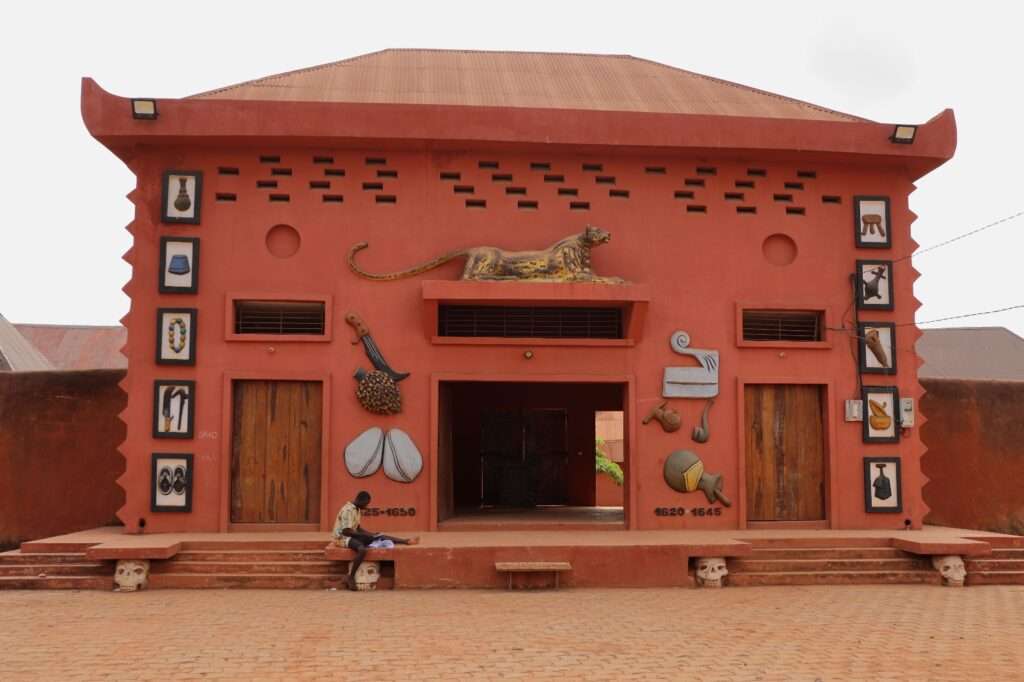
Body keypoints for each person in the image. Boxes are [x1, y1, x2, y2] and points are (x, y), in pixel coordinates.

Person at [332, 490, 419, 590]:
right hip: (341, 538)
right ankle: (350, 577)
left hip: (351, 535)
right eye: (366, 504)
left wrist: (371, 534)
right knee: (362, 549)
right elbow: (346, 531)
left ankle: (406, 541)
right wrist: (365, 536)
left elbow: (357, 528)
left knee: (379, 536)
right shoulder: (348, 510)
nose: (366, 506)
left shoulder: (357, 509)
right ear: (361, 501)